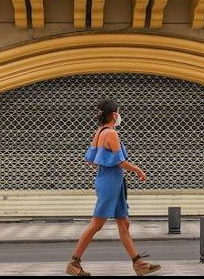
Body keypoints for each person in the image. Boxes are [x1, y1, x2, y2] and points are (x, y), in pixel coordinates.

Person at [67, 99, 160, 277]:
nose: (120, 115)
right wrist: (138, 170)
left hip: (109, 181)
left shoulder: (99, 132)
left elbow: (91, 160)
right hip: (110, 183)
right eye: (119, 112)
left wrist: (105, 164)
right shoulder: (111, 134)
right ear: (114, 115)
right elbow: (120, 161)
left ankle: (138, 263)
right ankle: (74, 262)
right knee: (96, 224)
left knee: (124, 223)